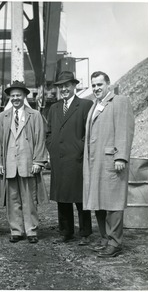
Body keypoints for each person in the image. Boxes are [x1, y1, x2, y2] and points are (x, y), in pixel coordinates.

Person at [83, 71, 135, 258]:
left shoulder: (119, 101)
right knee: (98, 202)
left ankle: (115, 243)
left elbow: (125, 130)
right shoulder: (95, 105)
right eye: (94, 85)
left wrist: (121, 156)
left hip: (111, 161)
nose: (96, 88)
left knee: (113, 203)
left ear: (108, 84)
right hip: (95, 162)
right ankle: (105, 239)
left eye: (100, 84)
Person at [0, 81, 48, 244]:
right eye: (13, 95)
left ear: (25, 96)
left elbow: (40, 140)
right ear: (9, 97)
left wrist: (38, 161)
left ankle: (31, 230)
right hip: (9, 165)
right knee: (12, 199)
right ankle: (16, 230)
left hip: (28, 163)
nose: (16, 98)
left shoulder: (35, 115)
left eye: (19, 95)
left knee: (29, 198)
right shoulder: (3, 116)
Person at [46, 71, 93, 246]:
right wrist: (51, 147)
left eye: (67, 85)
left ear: (74, 86)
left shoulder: (85, 105)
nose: (64, 89)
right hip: (59, 159)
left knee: (81, 198)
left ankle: (85, 233)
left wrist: (80, 149)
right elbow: (49, 132)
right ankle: (66, 232)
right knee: (62, 197)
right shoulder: (54, 108)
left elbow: (89, 132)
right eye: (61, 86)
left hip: (78, 159)